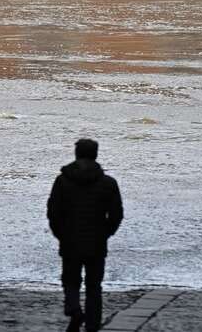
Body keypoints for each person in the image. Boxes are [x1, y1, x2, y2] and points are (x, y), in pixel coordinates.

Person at [47, 139, 123, 332]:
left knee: (70, 280)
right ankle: (92, 325)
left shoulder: (62, 181)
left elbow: (53, 212)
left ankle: (74, 309)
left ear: (76, 154)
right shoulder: (108, 183)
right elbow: (116, 215)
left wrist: (61, 235)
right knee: (94, 286)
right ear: (96, 155)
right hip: (97, 242)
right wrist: (106, 233)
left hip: (70, 240)